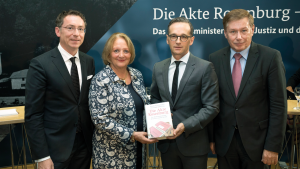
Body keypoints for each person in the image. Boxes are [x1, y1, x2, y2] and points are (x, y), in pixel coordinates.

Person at [209, 9, 287, 169]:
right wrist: (212, 138)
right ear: (225, 33)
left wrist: (272, 146)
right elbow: (212, 102)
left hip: (257, 143)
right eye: (233, 31)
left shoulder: (271, 57)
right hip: (225, 142)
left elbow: (278, 105)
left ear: (253, 29)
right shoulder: (215, 59)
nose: (238, 37)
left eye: (244, 30)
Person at [25, 10, 95, 169]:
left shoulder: (88, 61)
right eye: (70, 28)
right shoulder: (40, 64)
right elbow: (33, 114)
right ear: (58, 31)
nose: (76, 33)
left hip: (84, 146)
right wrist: (42, 156)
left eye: (80, 29)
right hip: (54, 149)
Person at [150, 17, 219, 169]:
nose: (178, 41)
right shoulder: (158, 67)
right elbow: (155, 97)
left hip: (193, 144)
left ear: (191, 40)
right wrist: (160, 114)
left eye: (183, 37)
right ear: (167, 39)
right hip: (166, 144)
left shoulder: (205, 68)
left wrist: (184, 125)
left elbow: (211, 107)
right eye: (173, 36)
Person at [88, 32, 157, 169]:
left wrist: (160, 117)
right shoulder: (101, 80)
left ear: (131, 54)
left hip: (138, 150)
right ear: (108, 54)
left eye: (126, 51)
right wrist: (132, 135)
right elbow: (99, 119)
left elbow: (143, 106)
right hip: (112, 155)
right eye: (116, 51)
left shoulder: (137, 75)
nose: (121, 55)